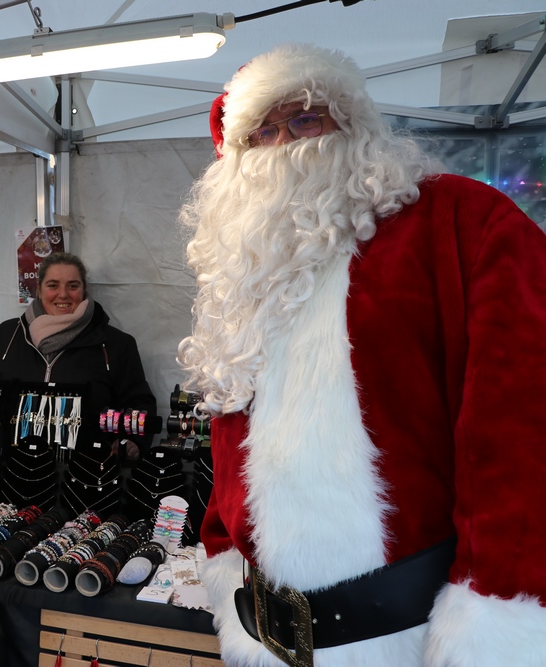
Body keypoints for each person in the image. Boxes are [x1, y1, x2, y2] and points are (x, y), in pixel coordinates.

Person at [179, 43, 546, 667]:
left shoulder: (458, 220)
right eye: (262, 133)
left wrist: (502, 596)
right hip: (266, 637)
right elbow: (231, 432)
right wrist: (221, 546)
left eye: (305, 120)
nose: (284, 147)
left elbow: (522, 422)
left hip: (412, 636)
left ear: (353, 125)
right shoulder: (246, 267)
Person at [0, 252, 157, 459]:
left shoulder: (117, 344)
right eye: (53, 285)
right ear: (39, 289)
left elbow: (140, 403)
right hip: (13, 466)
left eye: (72, 286)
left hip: (87, 469)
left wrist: (132, 442)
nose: (63, 294)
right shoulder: (6, 335)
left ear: (84, 289)